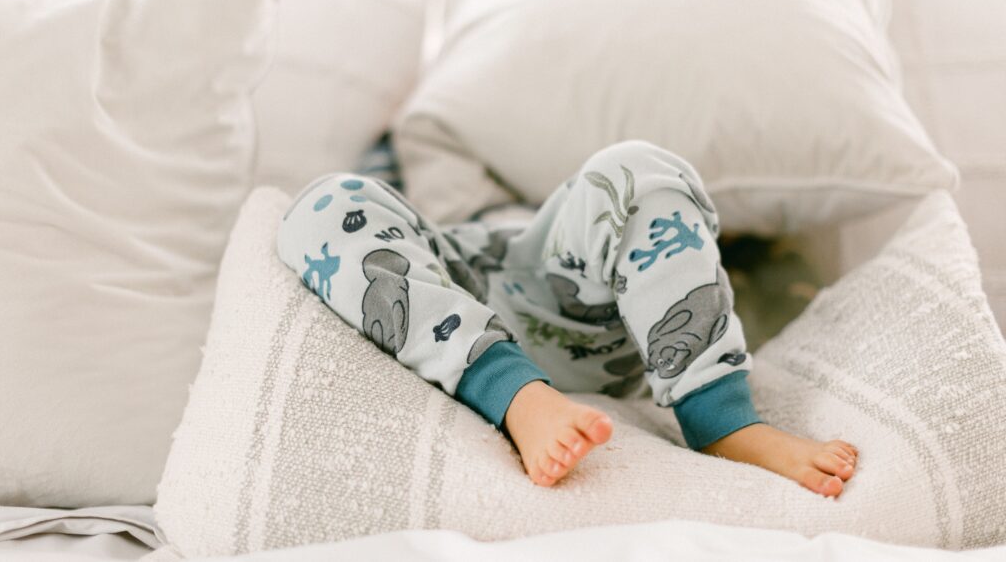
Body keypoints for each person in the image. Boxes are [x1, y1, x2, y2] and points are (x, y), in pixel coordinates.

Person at [276, 141, 857, 495]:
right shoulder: (410, 137)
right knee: (321, 203)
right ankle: (517, 394)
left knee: (635, 168)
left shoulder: (487, 125)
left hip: (568, 289)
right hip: (441, 283)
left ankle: (721, 419)